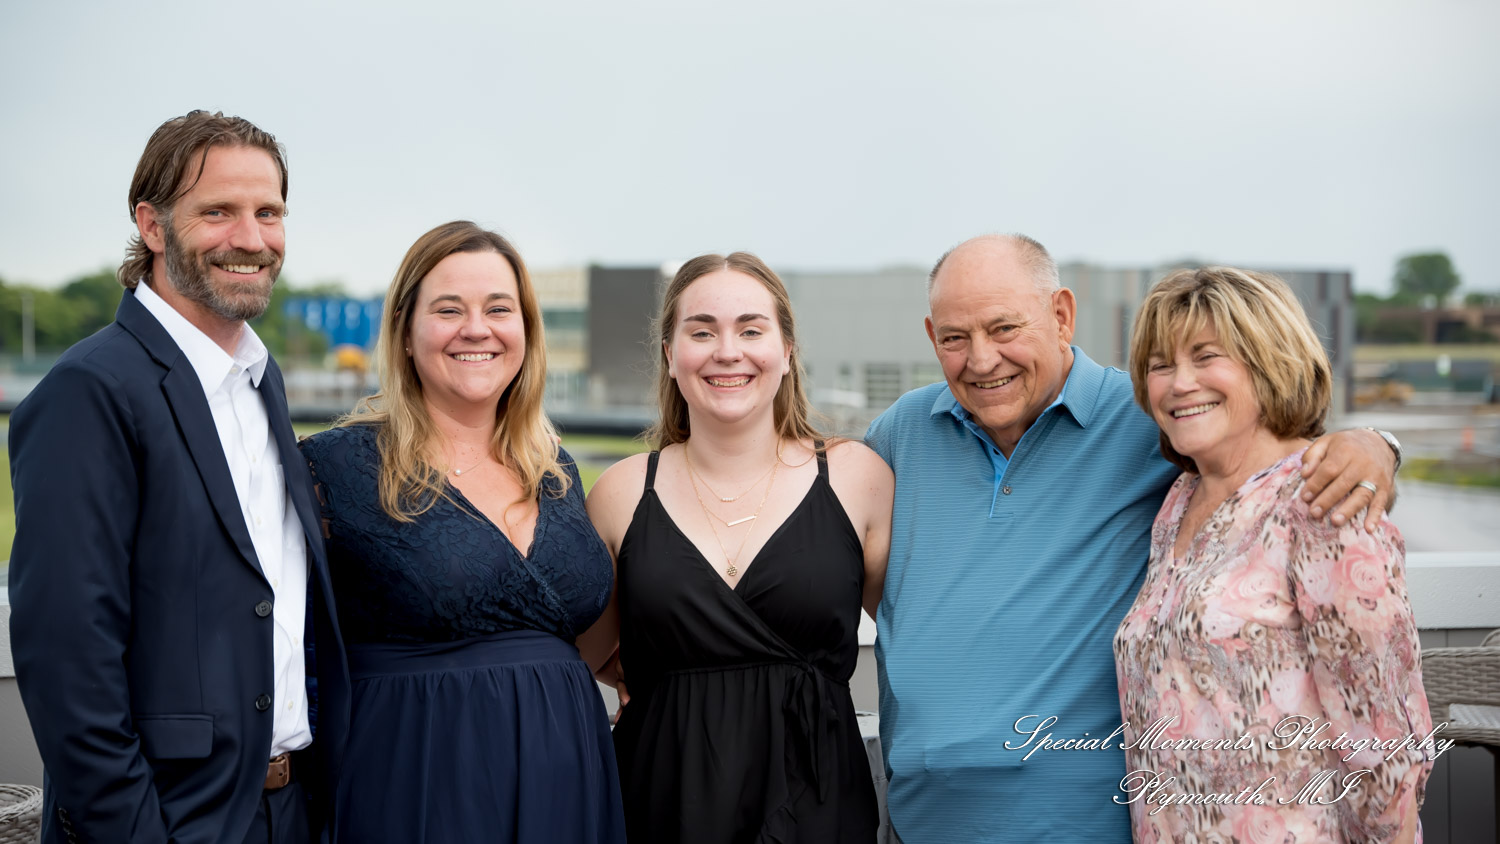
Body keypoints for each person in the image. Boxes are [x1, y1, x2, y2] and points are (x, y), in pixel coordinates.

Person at [863, 234, 1401, 842]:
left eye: (1004, 328)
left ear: (1061, 314)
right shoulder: (900, 434)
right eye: (955, 338)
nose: (982, 360)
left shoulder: (1151, 423)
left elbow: (1276, 453)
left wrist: (1376, 445)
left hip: (1094, 825)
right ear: (932, 337)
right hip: (922, 822)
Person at [7, 110, 348, 844]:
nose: (251, 238)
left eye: (268, 213)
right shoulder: (90, 391)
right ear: (152, 225)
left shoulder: (259, 378)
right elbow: (67, 656)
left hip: (290, 812)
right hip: (174, 821)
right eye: (218, 211)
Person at [298, 220, 625, 844]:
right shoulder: (334, 467)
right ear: (405, 331)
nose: (477, 329)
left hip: (566, 774)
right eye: (449, 310)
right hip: (416, 774)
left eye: (499, 309)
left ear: (526, 329)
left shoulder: (555, 471)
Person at [1115, 266, 1432, 843]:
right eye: (1160, 365)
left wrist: (1379, 445)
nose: (1180, 383)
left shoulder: (1322, 500)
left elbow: (1386, 743)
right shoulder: (1179, 501)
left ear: (1269, 364)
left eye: (1206, 357)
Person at [588, 252, 892, 843]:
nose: (728, 351)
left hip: (816, 804)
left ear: (787, 351)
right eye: (702, 332)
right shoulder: (620, 492)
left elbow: (916, 637)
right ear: (670, 354)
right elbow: (576, 653)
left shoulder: (858, 479)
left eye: (751, 330)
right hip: (661, 800)